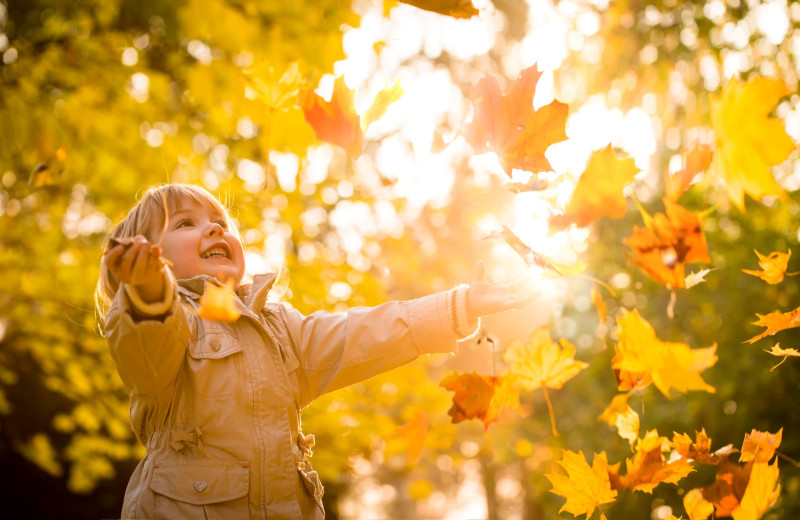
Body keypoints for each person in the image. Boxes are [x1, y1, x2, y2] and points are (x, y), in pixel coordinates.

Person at [96, 183, 535, 520]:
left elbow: (360, 334)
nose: (214, 227)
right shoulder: (164, 325)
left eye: (220, 221)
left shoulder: (279, 327)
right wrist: (149, 292)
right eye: (184, 223)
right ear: (149, 260)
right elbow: (143, 344)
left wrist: (459, 306)